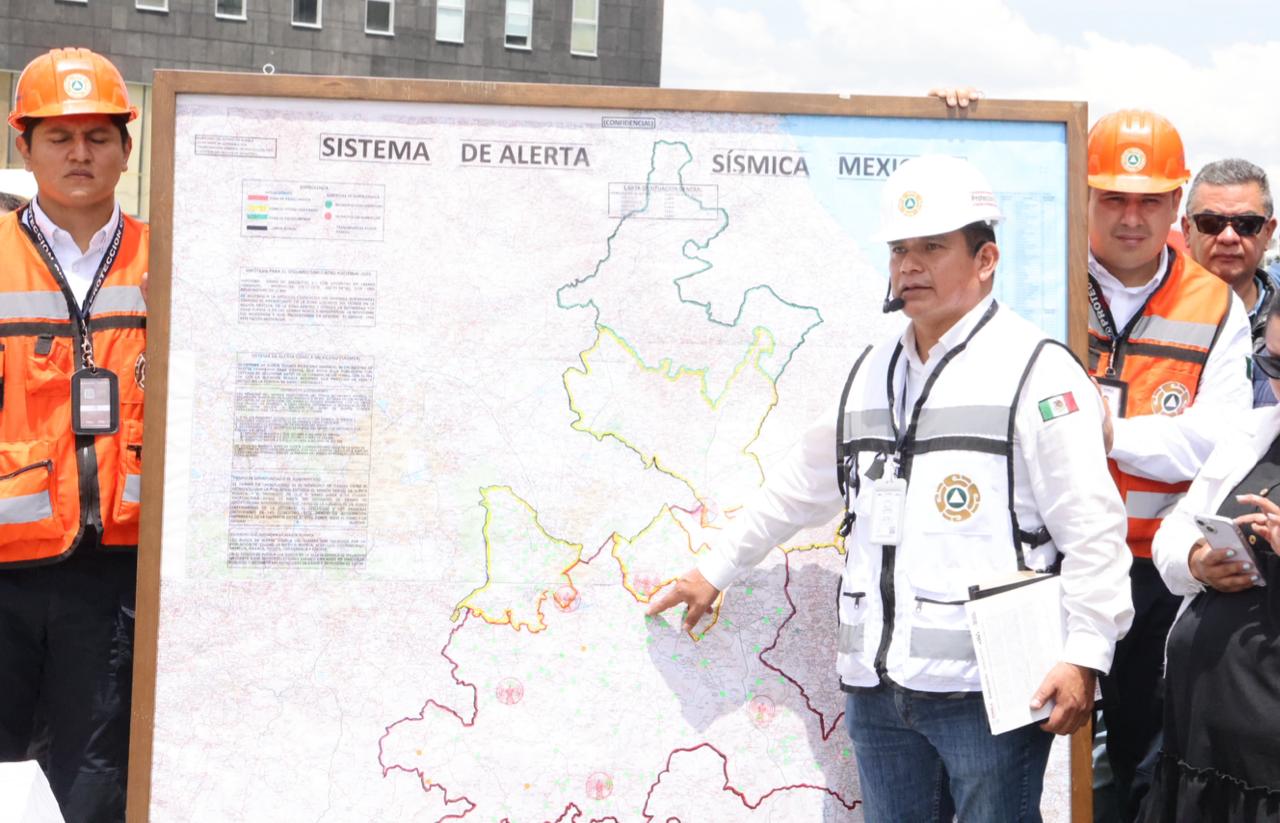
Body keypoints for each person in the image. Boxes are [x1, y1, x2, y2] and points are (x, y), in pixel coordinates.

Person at [649, 154, 1134, 822]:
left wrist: (1084, 655)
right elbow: (799, 487)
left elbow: (1094, 531)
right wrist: (716, 568)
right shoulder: (871, 372)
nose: (910, 265)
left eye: (932, 247)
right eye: (900, 249)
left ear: (986, 259)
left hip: (990, 693)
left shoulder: (1037, 372)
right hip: (878, 692)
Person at [1085, 109, 1254, 822]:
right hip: (1053, 562)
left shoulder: (1214, 304)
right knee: (1045, 755)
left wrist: (1106, 431)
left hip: (1158, 573)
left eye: (1150, 200)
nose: (1132, 218)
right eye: (1113, 198)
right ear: (1084, 197)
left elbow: (1216, 440)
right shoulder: (1039, 277)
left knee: (1147, 762)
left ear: (1174, 204)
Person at [0, 47, 147, 823]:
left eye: (98, 135)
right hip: (4, 573)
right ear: (24, 146)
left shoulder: (171, 259)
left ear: (127, 146)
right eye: (59, 136)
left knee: (96, 788)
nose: (80, 153)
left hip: (115, 578)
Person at [1141, 290, 1280, 821]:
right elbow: (1172, 533)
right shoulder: (1253, 431)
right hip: (1201, 739)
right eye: (1272, 365)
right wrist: (1197, 562)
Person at [1181, 159, 1279, 407]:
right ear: (1186, 230)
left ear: (1268, 232)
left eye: (1246, 225)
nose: (1228, 237)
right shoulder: (1144, 317)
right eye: (1211, 223)